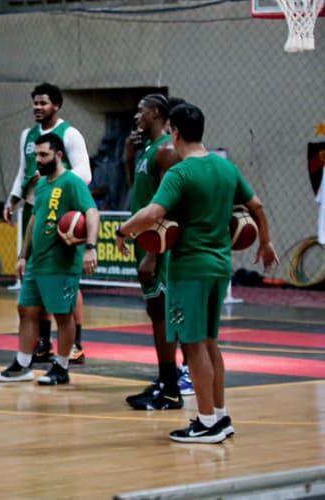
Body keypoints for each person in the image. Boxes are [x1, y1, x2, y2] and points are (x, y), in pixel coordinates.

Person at [117, 102, 278, 443]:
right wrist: (265, 243)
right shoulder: (225, 169)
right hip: (220, 266)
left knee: (193, 347)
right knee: (209, 342)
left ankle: (205, 423)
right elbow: (257, 206)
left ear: (174, 131)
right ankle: (219, 415)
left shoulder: (181, 173)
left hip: (189, 268)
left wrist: (124, 231)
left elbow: (153, 213)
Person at [0, 133, 99, 387]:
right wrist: (22, 255)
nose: (38, 160)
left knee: (63, 315)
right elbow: (34, 220)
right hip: (36, 262)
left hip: (60, 262)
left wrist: (90, 248)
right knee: (25, 310)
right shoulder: (40, 184)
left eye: (44, 155)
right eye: (36, 155)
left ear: (59, 155)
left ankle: (61, 367)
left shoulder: (72, 182)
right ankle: (23, 363)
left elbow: (92, 213)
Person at [3, 82, 92, 366]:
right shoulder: (27, 135)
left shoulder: (70, 134)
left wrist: (55, 184)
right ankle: (41, 343)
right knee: (35, 275)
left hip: (63, 211)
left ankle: (74, 343)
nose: (37, 108)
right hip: (35, 206)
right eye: (35, 103)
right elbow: (23, 171)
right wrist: (13, 198)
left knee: (66, 279)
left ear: (56, 105)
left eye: (43, 103)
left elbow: (85, 173)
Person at [120, 94, 187, 410]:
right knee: (154, 312)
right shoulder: (146, 149)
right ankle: (165, 381)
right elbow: (139, 193)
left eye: (140, 110)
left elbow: (168, 207)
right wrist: (127, 159)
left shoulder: (167, 151)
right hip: (144, 241)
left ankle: (172, 386)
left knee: (162, 312)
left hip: (158, 245)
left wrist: (154, 253)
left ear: (157, 113)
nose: (137, 116)